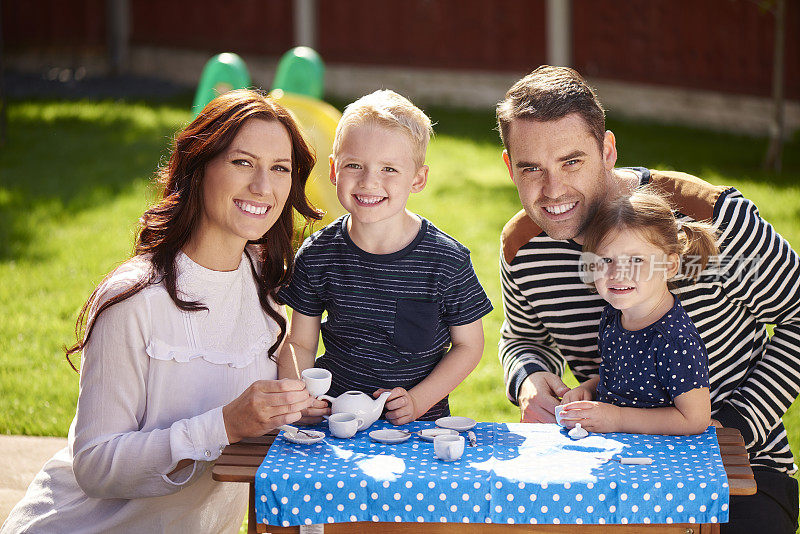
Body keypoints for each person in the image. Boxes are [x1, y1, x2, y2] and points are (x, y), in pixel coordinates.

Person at [1, 89, 322, 534]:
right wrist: (223, 426)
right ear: (198, 167)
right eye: (242, 162)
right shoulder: (135, 298)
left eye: (280, 168)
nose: (262, 187)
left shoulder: (267, 283)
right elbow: (95, 465)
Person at [497, 65, 800, 533]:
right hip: (608, 468)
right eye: (531, 168)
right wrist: (531, 380)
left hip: (739, 472)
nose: (552, 190)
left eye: (572, 161)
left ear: (607, 149)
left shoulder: (706, 220)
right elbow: (522, 339)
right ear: (508, 166)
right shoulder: (524, 249)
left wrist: (736, 426)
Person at [276, 89, 492, 424]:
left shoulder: (446, 260)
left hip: (417, 427)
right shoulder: (318, 255)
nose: (368, 181)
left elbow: (468, 346)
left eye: (389, 169)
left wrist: (419, 400)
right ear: (334, 170)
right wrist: (301, 397)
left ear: (417, 179)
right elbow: (300, 341)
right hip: (335, 419)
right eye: (354, 165)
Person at [558, 189, 716, 435]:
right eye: (606, 260)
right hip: (620, 454)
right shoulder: (613, 316)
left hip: (663, 461)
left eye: (636, 260)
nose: (618, 274)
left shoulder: (674, 340)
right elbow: (627, 381)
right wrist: (590, 388)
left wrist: (617, 419)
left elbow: (695, 419)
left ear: (670, 265)